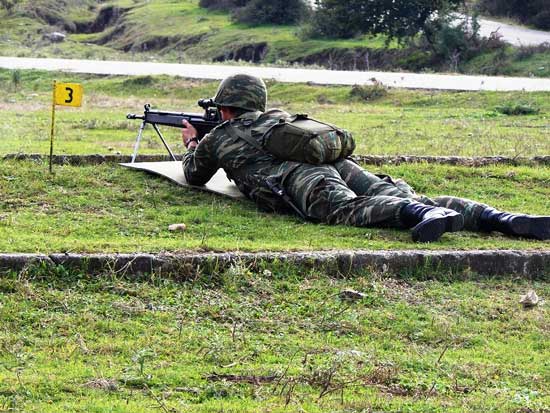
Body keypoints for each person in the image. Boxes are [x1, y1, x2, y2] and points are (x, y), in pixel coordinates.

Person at [181, 74, 549, 242]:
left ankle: (421, 215)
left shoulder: (218, 138)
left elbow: (195, 175)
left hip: (300, 178)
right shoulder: (277, 119)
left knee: (348, 209)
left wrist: (193, 144)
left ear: (224, 108)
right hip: (338, 164)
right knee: (401, 194)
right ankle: (501, 218)